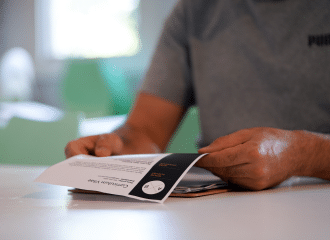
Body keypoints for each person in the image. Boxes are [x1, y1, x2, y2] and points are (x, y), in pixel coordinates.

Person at [65, 0, 330, 190]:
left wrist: (305, 155)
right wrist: (114, 152)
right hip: (218, 209)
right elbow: (145, 131)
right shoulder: (194, 11)